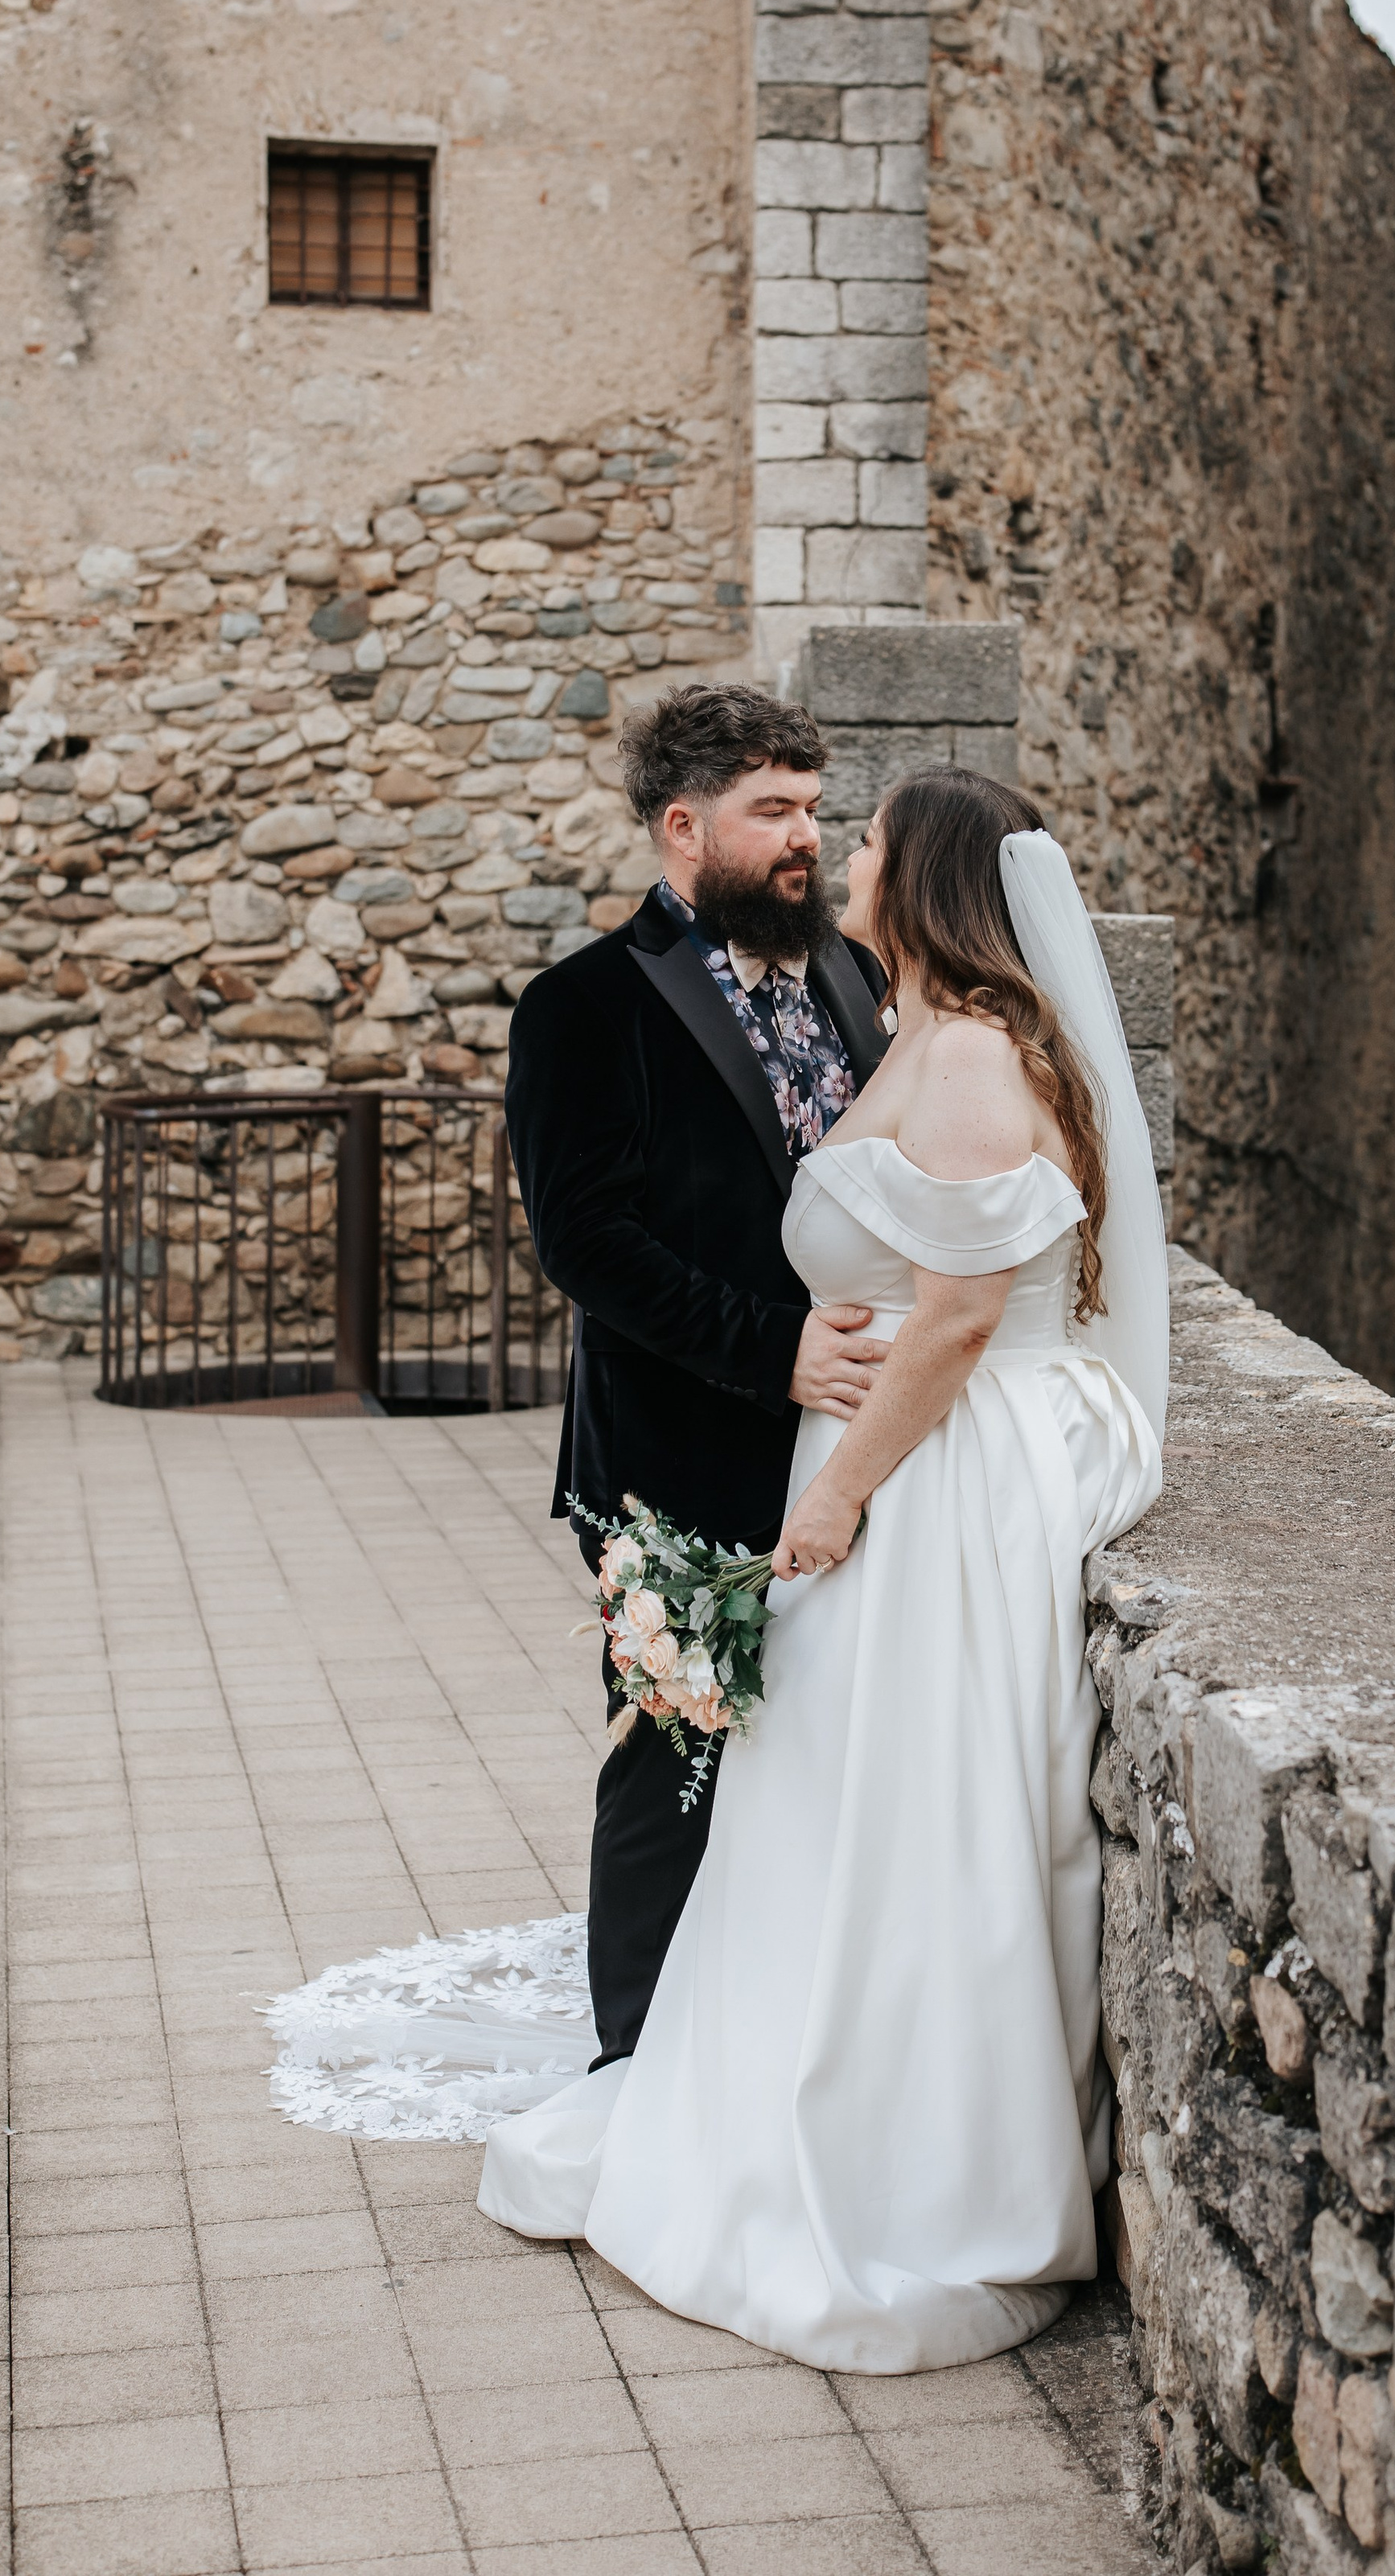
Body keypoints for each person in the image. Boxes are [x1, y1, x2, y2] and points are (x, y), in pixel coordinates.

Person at [475, 764, 1167, 2371]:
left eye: (852, 832)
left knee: (903, 1822)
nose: (828, 850)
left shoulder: (973, 1050)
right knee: (818, 1810)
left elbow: (963, 1314)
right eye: (791, 813)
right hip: (847, 1469)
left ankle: (898, 2161)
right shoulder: (902, 1023)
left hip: (930, 1488)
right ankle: (739, 2079)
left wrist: (838, 1497)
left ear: (916, 874)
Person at [504, 684, 894, 2065]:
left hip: (843, 1458)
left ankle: (768, 2050)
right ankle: (636, 2064)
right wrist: (774, 1349)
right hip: (674, 1460)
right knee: (672, 1766)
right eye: (772, 812)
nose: (806, 837)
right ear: (684, 827)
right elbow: (590, 1247)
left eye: (813, 809)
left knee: (812, 1769)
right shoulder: (581, 1008)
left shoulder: (850, 975)